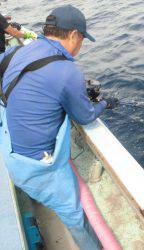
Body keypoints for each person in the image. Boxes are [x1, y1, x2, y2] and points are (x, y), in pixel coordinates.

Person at [0, 5, 118, 250]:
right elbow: (85, 116)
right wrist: (105, 103)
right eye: (83, 39)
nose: (81, 45)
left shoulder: (22, 51)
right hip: (38, 172)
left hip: (11, 153)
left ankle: (37, 198)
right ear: (74, 34)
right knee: (76, 218)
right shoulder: (68, 70)